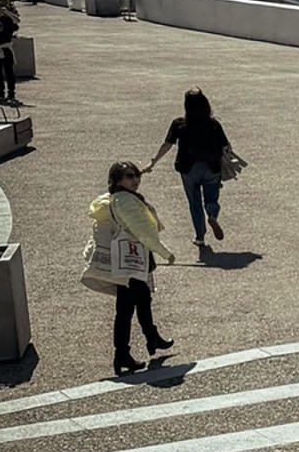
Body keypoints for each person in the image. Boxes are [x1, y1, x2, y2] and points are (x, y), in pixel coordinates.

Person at [85, 161, 176, 374]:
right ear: (118, 180)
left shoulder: (119, 198)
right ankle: (124, 353)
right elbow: (142, 230)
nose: (135, 180)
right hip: (130, 263)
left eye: (136, 175)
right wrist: (165, 253)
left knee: (141, 301)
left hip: (128, 261)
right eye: (129, 176)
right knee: (126, 308)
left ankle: (149, 340)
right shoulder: (126, 201)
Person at [144, 86, 234, 249]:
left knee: (194, 203)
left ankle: (200, 237)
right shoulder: (213, 124)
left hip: (188, 168)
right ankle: (212, 215)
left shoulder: (179, 124)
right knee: (211, 198)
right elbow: (226, 146)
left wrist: (153, 162)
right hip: (211, 167)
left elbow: (167, 145)